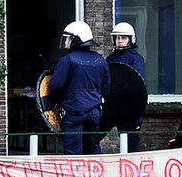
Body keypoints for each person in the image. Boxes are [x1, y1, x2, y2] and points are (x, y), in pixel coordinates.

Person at [48, 21, 111, 155]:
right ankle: (95, 176)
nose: (66, 43)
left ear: (77, 40)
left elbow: (55, 86)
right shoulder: (101, 60)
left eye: (69, 39)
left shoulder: (67, 60)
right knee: (93, 149)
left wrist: (59, 100)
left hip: (73, 112)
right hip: (94, 113)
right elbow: (106, 88)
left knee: (73, 154)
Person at [100, 22, 146, 152]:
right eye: (117, 37)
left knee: (130, 147)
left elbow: (138, 86)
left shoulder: (136, 59)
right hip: (111, 107)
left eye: (123, 38)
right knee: (93, 136)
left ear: (131, 39)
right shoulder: (110, 58)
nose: (119, 41)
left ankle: (131, 172)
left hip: (129, 110)